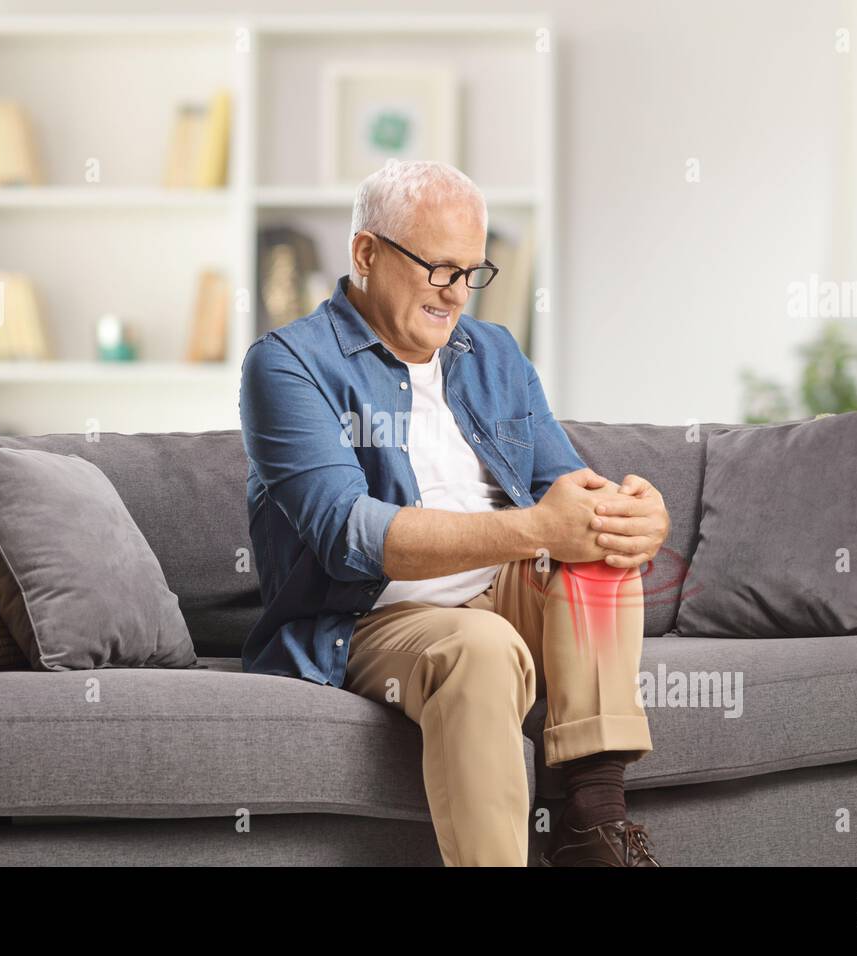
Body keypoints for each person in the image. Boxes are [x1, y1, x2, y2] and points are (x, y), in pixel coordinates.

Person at [238, 159, 671, 866]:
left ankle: (592, 828)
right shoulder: (288, 364)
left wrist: (634, 519)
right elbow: (350, 537)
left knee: (599, 550)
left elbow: (570, 490)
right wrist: (534, 528)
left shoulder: (492, 351)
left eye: (472, 272)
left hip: (504, 589)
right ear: (366, 253)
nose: (458, 295)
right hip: (373, 617)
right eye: (439, 269)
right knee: (481, 647)